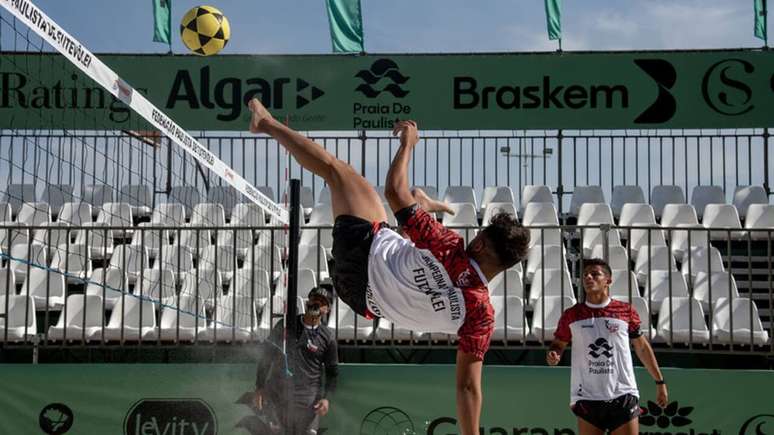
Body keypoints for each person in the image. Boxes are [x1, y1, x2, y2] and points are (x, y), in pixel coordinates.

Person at [248, 99, 530, 435]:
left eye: (479, 233)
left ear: (481, 244)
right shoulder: (482, 315)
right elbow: (468, 388)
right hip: (362, 296)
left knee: (338, 171)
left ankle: (264, 124)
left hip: (364, 252)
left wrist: (407, 144)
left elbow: (394, 191)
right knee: (407, 234)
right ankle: (422, 204)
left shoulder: (452, 248)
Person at [546, 258, 669, 435]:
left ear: (608, 281)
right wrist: (554, 354)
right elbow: (558, 344)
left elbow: (641, 347)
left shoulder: (625, 311)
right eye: (585, 275)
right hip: (586, 396)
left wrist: (660, 382)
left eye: (595, 274)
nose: (588, 277)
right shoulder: (572, 314)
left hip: (623, 393)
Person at [254, 287, 339, 435]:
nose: (317, 304)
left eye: (322, 302)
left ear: (327, 309)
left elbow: (333, 373)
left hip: (308, 402)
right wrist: (259, 387)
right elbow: (266, 357)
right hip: (278, 396)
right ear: (308, 302)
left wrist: (326, 399)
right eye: (314, 300)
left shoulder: (328, 337)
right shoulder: (286, 325)